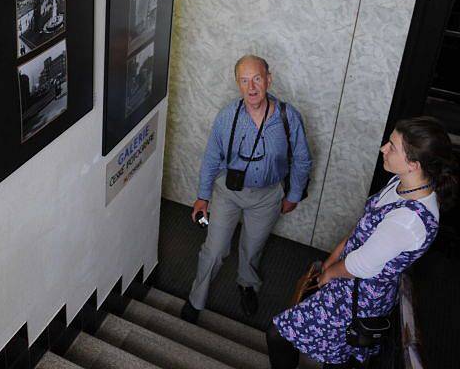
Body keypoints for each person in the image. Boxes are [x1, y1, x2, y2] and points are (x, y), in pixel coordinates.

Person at [267, 116, 458, 368]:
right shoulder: (403, 183)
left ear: (413, 164)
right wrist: (333, 258)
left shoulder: (408, 220)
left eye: (392, 146)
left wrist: (328, 275)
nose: (383, 149)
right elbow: (363, 225)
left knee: (278, 334)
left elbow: (361, 266)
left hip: (357, 294)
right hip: (346, 276)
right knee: (333, 353)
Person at [182, 55, 313, 324]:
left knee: (253, 246)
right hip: (228, 192)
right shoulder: (227, 116)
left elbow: (302, 159)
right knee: (215, 249)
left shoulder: (288, 117)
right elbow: (211, 158)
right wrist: (202, 197)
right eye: (244, 80)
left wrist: (294, 194)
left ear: (268, 80)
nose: (251, 87)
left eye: (257, 79)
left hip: (268, 196)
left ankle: (247, 284)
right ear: (237, 84)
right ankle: (197, 298)